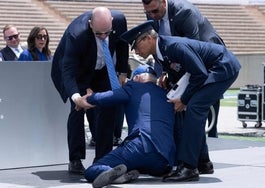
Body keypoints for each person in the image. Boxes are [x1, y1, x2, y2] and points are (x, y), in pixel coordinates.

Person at [120, 20, 241, 182]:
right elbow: (181, 71)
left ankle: (189, 168)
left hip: (222, 67)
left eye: (135, 46)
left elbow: (199, 74)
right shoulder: (161, 52)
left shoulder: (173, 47)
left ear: (148, 39)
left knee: (195, 108)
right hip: (211, 69)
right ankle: (202, 161)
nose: (135, 52)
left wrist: (183, 99)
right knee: (192, 109)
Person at [51, 7, 129, 174]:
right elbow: (68, 70)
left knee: (108, 105)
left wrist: (122, 71)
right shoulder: (76, 35)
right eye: (98, 33)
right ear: (90, 24)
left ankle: (103, 158)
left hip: (101, 69)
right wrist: (76, 96)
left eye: (107, 33)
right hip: (76, 70)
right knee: (78, 109)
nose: (103, 37)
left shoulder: (120, 21)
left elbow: (122, 44)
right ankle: (75, 159)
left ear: (112, 24)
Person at [75, 65, 175, 188]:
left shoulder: (133, 86)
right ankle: (126, 173)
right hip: (163, 158)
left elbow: (108, 96)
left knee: (92, 170)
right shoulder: (167, 95)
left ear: (137, 77)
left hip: (139, 145)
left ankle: (110, 172)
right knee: (143, 164)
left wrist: (87, 99)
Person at [142, 0, 224, 139]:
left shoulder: (185, 12)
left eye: (155, 11)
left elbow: (192, 49)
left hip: (206, 53)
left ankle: (211, 132)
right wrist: (163, 71)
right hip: (178, 53)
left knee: (205, 91)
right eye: (148, 12)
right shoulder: (152, 13)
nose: (152, 15)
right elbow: (159, 44)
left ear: (163, 2)